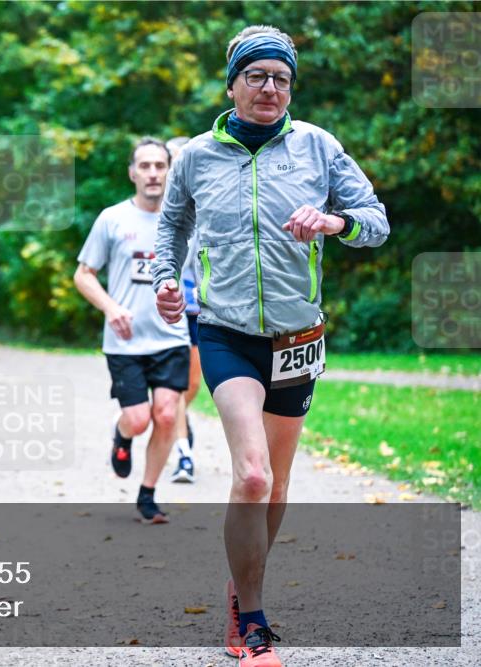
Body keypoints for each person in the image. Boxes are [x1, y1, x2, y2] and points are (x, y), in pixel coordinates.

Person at [151, 25, 389, 666]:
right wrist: (166, 279)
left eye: (281, 78)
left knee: (277, 484)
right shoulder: (197, 155)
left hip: (297, 337)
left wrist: (336, 221)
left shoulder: (318, 147)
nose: (270, 88)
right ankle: (251, 623)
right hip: (226, 332)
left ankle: (242, 581)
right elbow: (172, 225)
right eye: (256, 76)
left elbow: (376, 222)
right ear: (232, 84)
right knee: (252, 474)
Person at [74, 137, 191, 524]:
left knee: (169, 416)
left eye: (160, 165)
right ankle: (122, 436)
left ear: (170, 170)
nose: (154, 173)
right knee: (139, 418)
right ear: (132, 173)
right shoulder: (112, 219)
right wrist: (110, 307)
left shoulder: (189, 219)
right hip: (125, 341)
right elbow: (84, 274)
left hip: (172, 336)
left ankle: (148, 494)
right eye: (145, 166)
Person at [165, 136, 202, 484]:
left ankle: (176, 419)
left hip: (201, 309)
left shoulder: (207, 202)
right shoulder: (160, 210)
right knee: (175, 386)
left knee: (193, 384)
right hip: (169, 310)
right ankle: (183, 453)